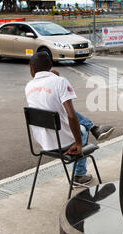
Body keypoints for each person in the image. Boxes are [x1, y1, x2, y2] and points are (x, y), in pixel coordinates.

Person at [25, 52, 114, 186]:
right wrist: (78, 143)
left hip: (44, 143)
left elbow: (52, 104)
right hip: (64, 144)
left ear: (32, 68)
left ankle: (93, 128)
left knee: (59, 110)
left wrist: (54, 79)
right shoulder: (59, 82)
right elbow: (71, 115)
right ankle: (79, 176)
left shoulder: (29, 86)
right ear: (51, 65)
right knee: (81, 130)